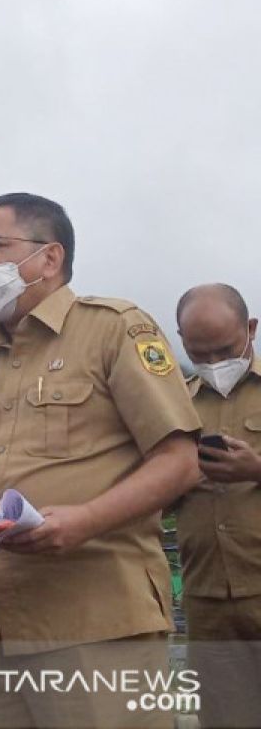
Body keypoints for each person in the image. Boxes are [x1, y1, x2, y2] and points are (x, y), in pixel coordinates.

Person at [0, 192, 201, 727]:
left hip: (96, 624)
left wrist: (86, 520)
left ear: (49, 258)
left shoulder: (113, 328)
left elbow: (180, 460)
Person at [173, 283, 261, 728]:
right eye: (198, 353)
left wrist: (257, 470)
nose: (212, 365)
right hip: (208, 597)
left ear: (251, 329)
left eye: (223, 350)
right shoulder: (174, 406)